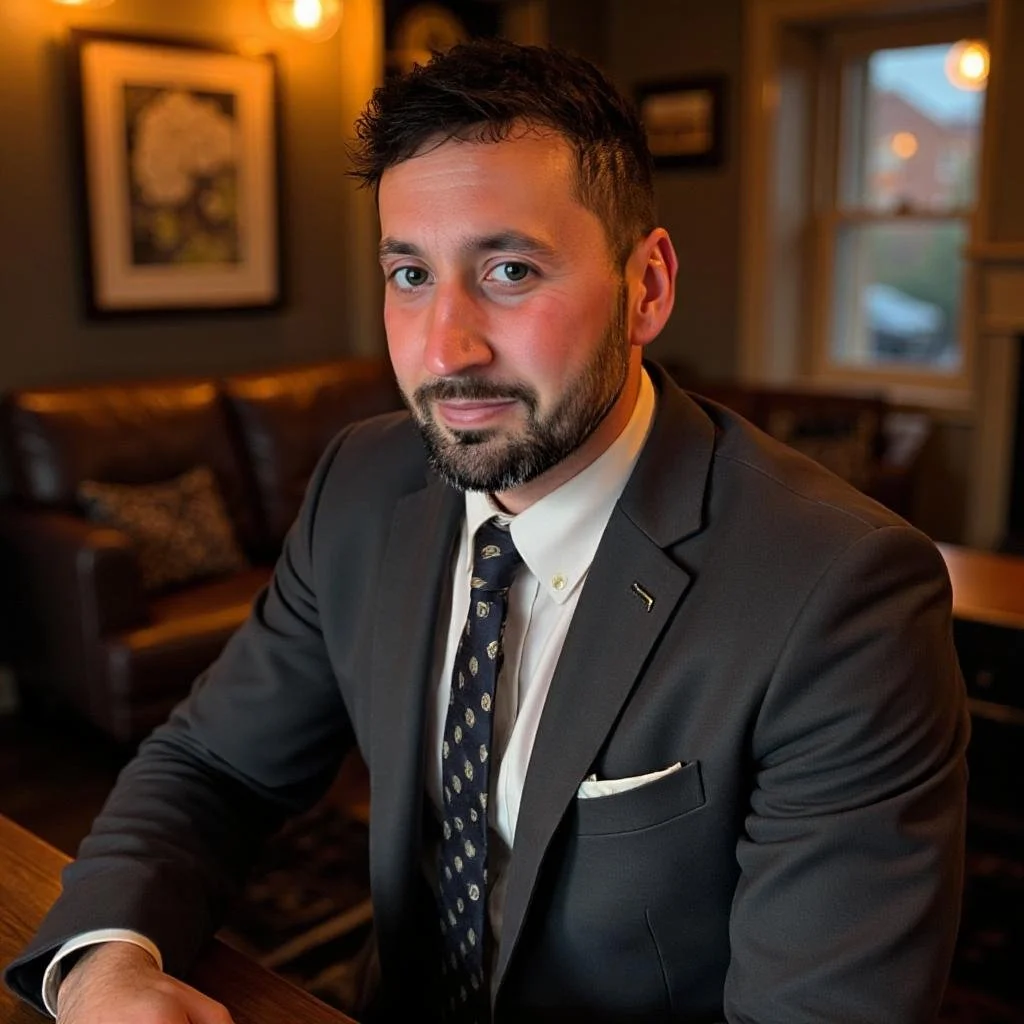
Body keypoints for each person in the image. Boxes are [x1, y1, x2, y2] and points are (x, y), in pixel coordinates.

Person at [6, 39, 968, 1024]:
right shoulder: (361, 484)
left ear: (647, 287)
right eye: (410, 274)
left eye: (508, 268)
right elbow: (215, 764)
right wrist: (105, 967)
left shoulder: (839, 592)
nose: (442, 348)